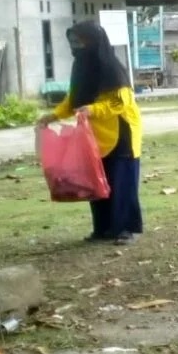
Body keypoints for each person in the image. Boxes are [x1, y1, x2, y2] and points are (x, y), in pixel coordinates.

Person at [37, 20, 144, 245]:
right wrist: (53, 116)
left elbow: (121, 102)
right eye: (73, 42)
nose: (76, 47)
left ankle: (125, 229)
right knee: (96, 181)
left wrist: (93, 109)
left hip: (121, 132)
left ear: (93, 41)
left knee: (121, 182)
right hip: (95, 135)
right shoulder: (81, 68)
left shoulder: (112, 68)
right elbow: (73, 100)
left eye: (80, 41)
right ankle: (103, 228)